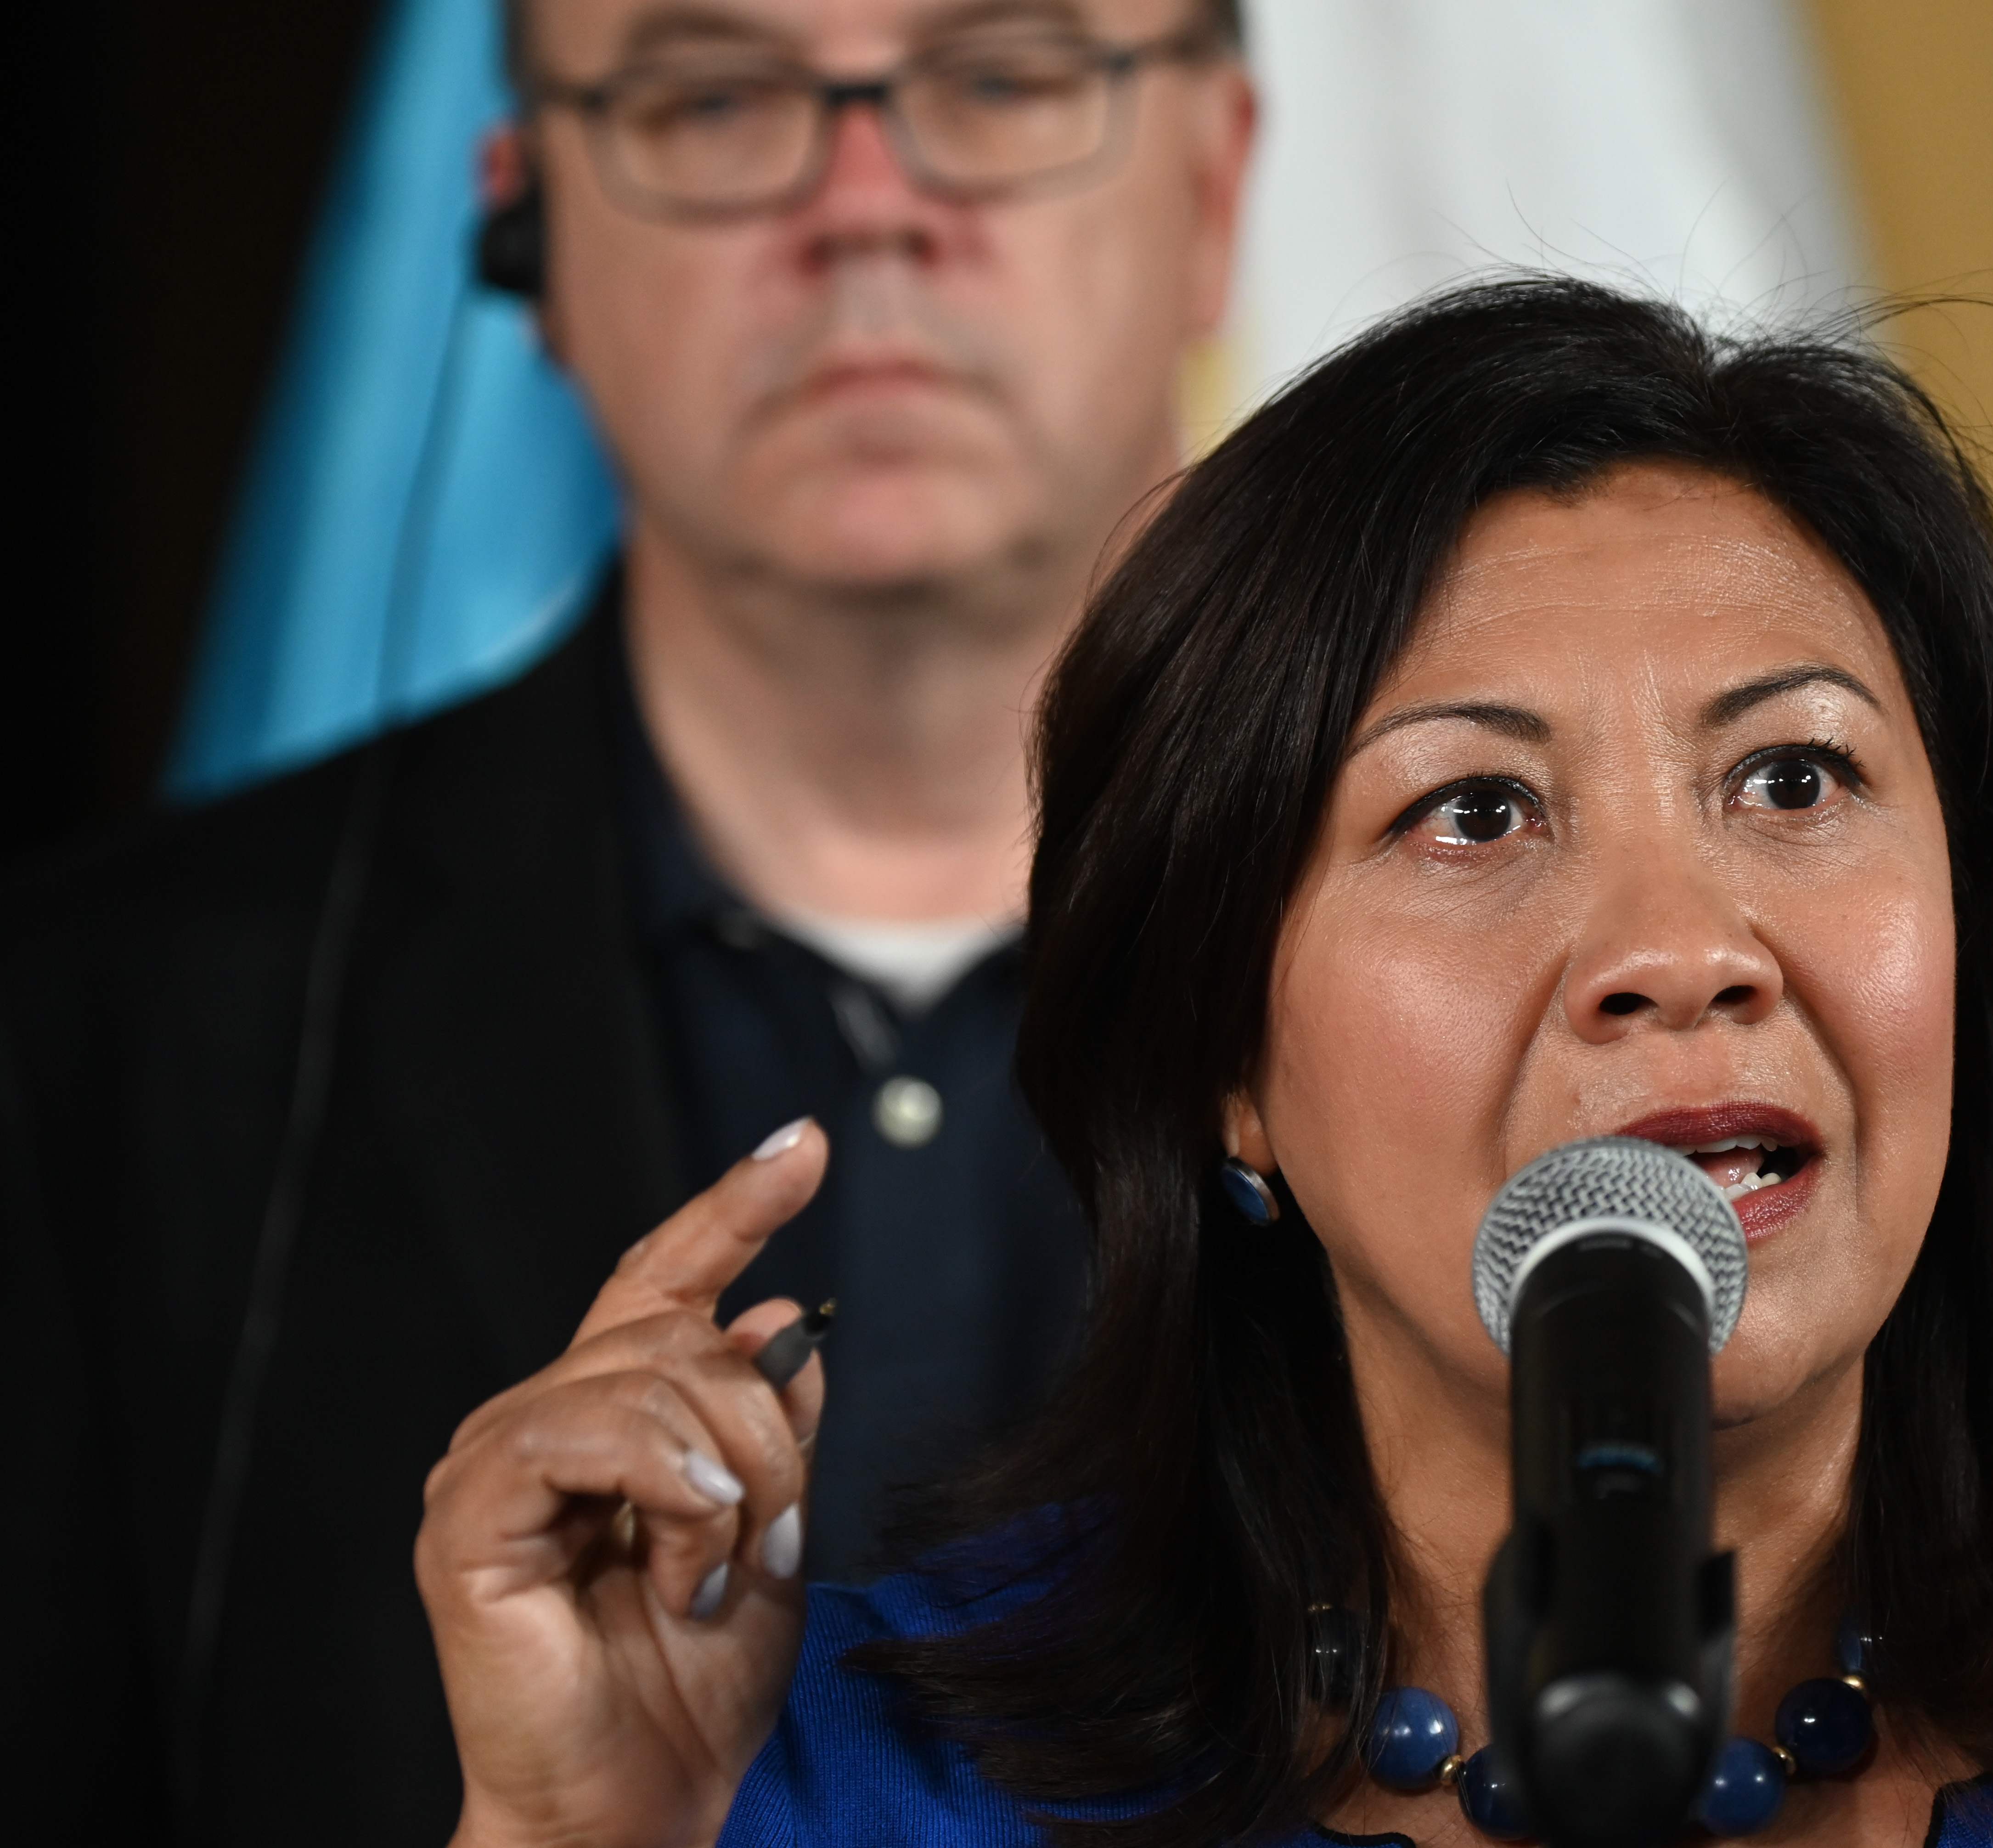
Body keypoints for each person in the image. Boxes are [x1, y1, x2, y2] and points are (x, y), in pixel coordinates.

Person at [412, 281, 1993, 1848]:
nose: (1683, 950)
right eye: (1474, 812)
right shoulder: (851, 1786)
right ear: (1221, 1056)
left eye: (1794, 782)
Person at [0, 1, 1253, 1842]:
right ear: (524, 229)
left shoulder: (1555, 993)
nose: (866, 202)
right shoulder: (84, 1039)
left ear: (1215, 180)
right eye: (716, 98)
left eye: (1001, 79)